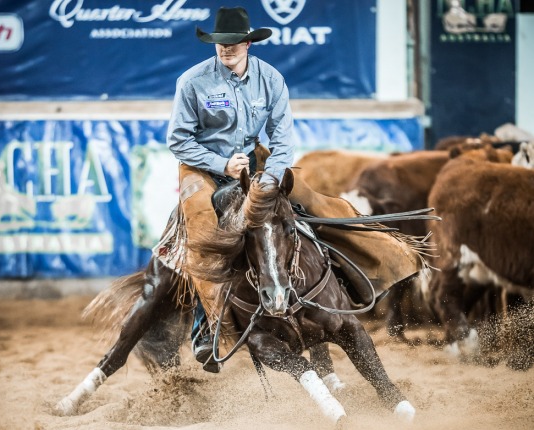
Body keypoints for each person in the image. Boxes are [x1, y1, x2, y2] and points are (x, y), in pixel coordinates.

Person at [165, 6, 424, 372]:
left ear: (248, 43)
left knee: (316, 205)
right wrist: (220, 164)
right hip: (203, 168)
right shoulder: (193, 81)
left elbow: (283, 139)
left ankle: (363, 275)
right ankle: (207, 329)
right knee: (205, 229)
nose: (227, 49)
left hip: (258, 164)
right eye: (221, 43)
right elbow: (178, 140)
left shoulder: (271, 79)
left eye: (234, 42)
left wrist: (269, 178)